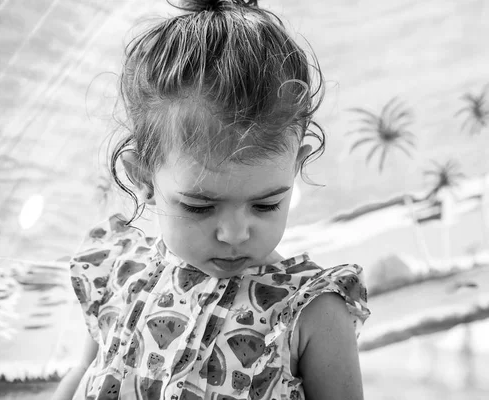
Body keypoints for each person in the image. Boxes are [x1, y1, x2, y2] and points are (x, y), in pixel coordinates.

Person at [52, 0, 370, 398]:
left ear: (295, 167)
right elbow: (84, 372)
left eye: (266, 204)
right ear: (144, 179)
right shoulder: (117, 273)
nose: (235, 234)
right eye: (200, 207)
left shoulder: (311, 313)